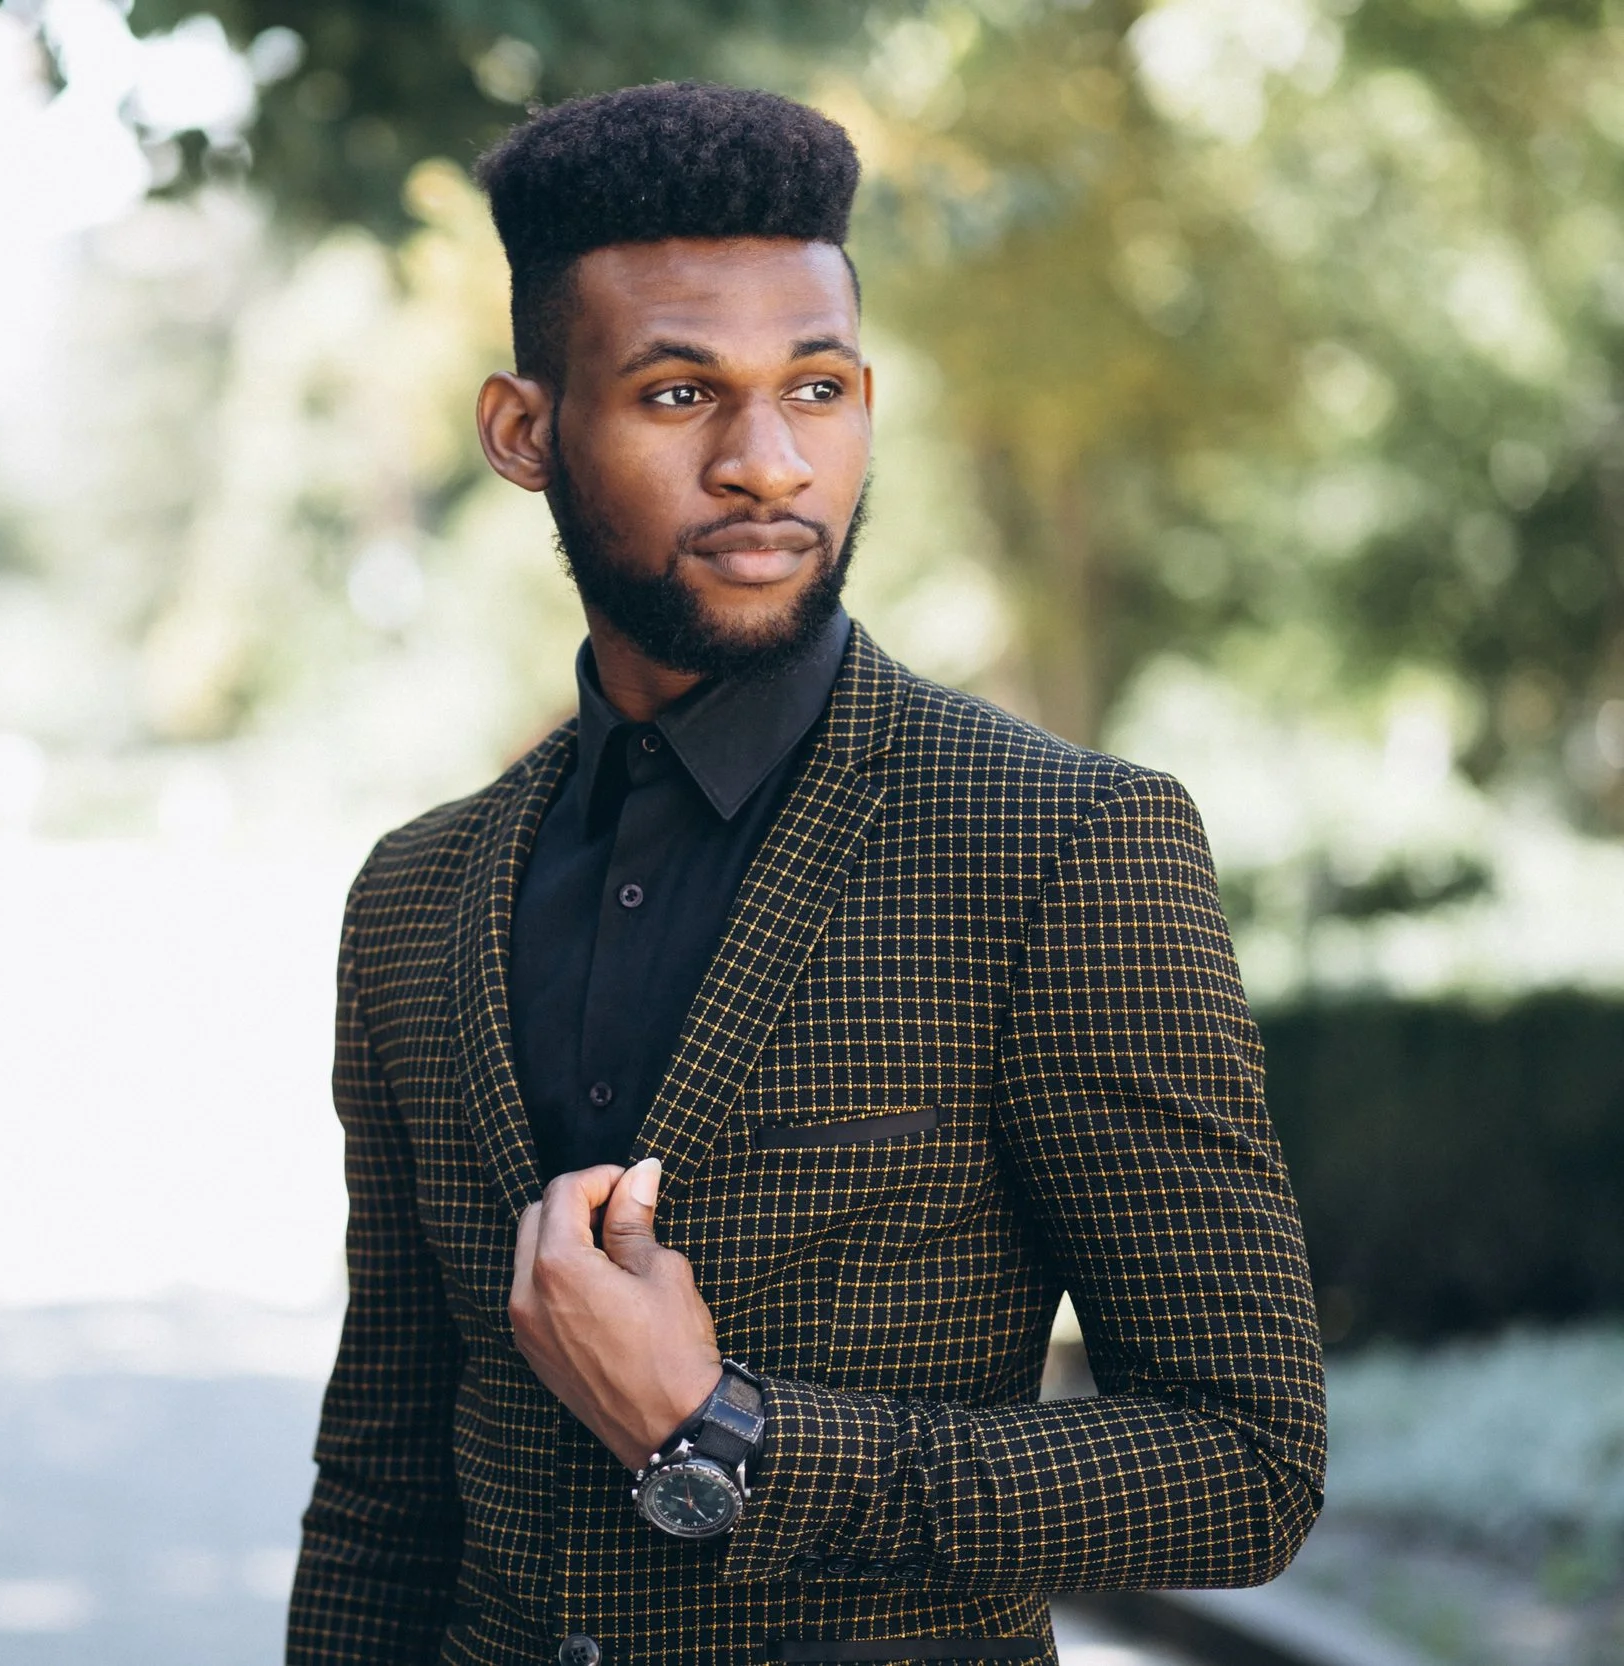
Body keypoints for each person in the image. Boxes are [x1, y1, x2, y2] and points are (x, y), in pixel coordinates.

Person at [284, 82, 1326, 1666]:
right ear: (524, 429)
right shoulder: (416, 898)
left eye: (817, 388)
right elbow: (381, 1490)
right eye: (681, 395)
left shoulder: (1056, 850)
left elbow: (1244, 1463)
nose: (769, 464)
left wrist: (726, 1434)